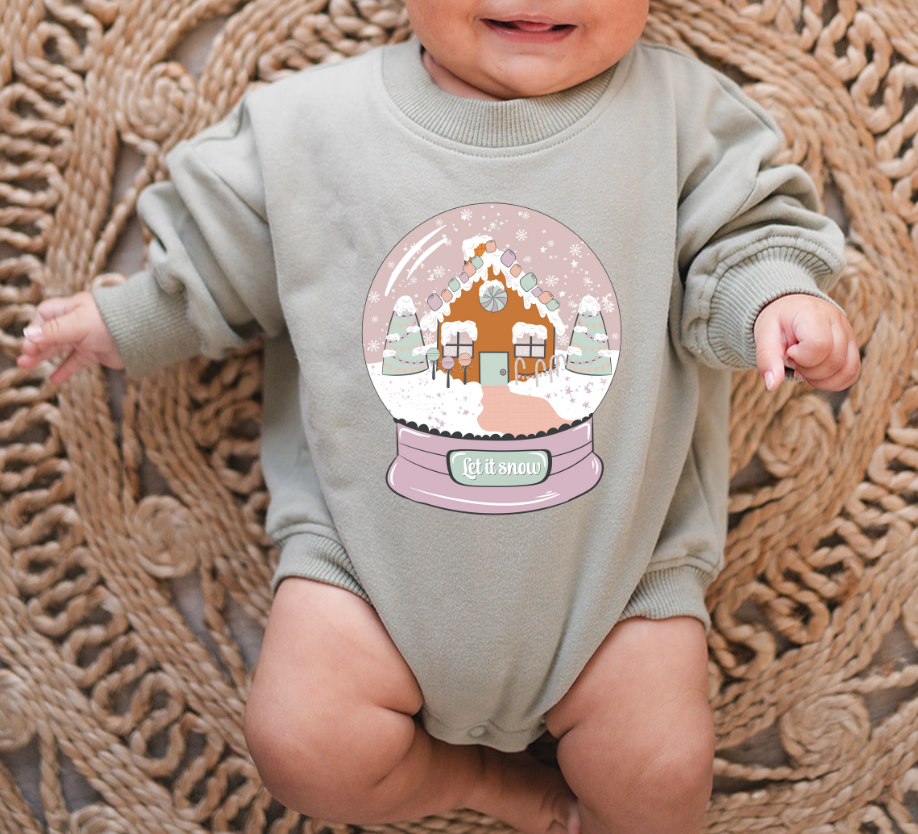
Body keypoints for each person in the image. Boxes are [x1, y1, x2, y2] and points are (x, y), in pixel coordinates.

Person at [18, 1, 861, 832]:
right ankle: (494, 789)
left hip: (618, 574)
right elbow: (218, 258)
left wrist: (773, 301)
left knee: (662, 777)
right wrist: (127, 319)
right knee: (302, 744)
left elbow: (745, 237)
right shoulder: (314, 126)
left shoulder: (682, 118)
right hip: (365, 568)